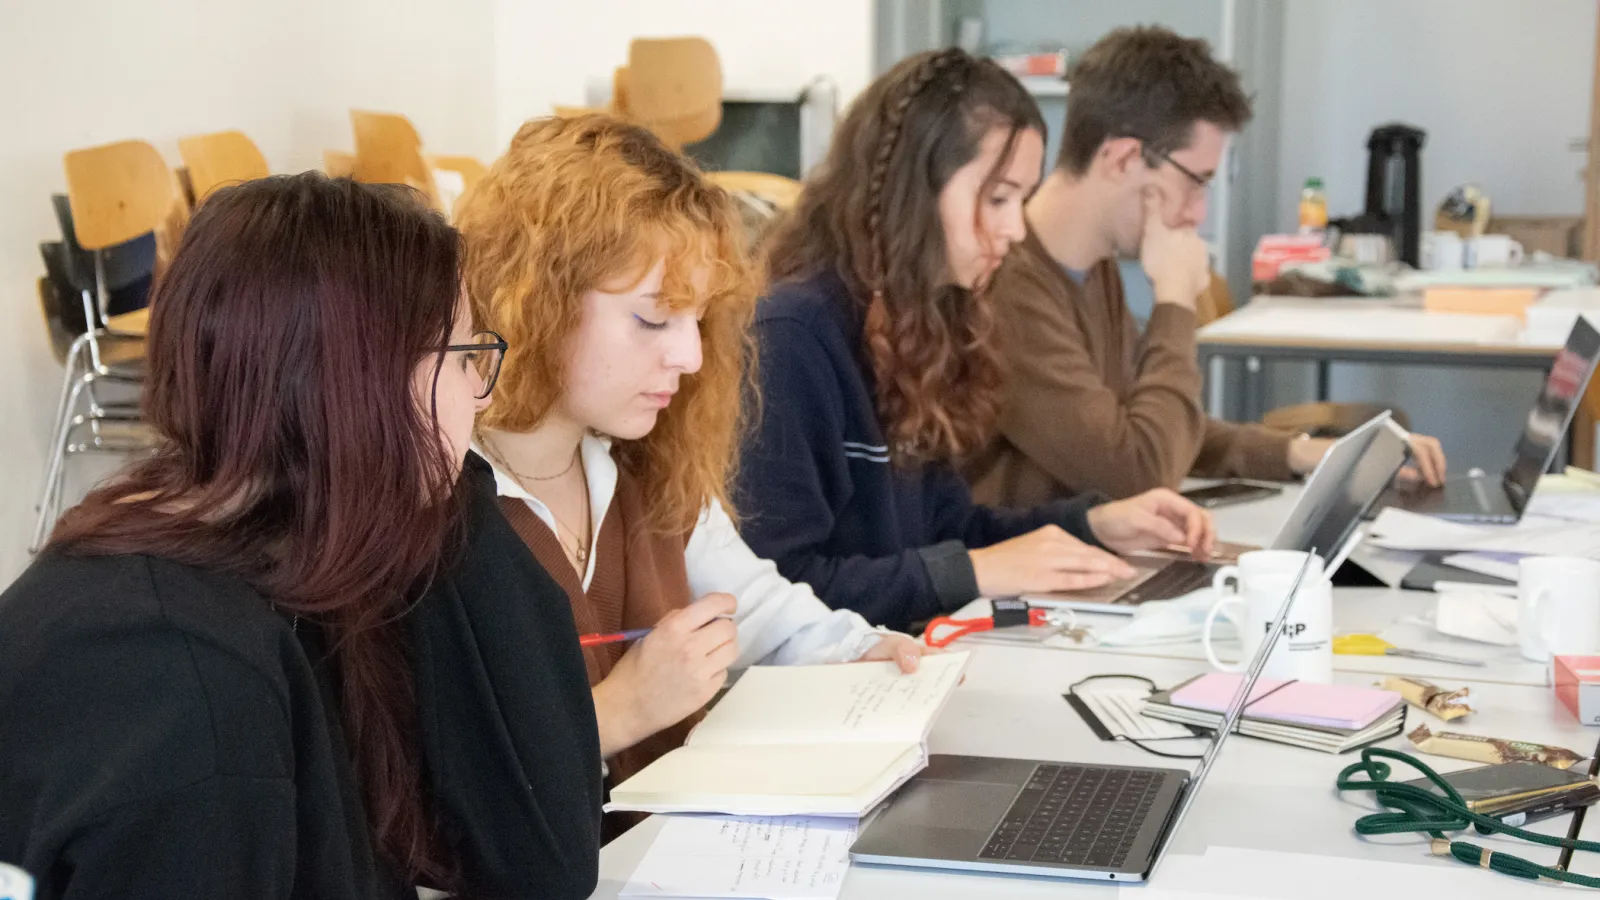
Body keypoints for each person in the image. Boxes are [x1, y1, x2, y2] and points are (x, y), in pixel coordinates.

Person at [0, 174, 601, 898]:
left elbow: (547, 852)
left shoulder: (277, 558)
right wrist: (418, 452)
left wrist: (424, 466)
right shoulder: (185, 686)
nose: (482, 393)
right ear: (361, 387)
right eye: (464, 359)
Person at [454, 114, 928, 800]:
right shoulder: (435, 494)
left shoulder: (641, 461)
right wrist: (623, 711)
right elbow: (434, 781)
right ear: (537, 301)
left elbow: (753, 606)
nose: (691, 356)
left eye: (697, 321)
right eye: (652, 318)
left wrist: (859, 651)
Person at [736, 48, 1216, 634]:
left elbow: (950, 534)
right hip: (829, 695)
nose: (1016, 229)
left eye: (1021, 198)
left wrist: (1091, 526)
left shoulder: (928, 321)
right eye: (997, 198)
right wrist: (972, 571)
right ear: (913, 190)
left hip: (902, 660)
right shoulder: (792, 337)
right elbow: (776, 589)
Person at [967, 25, 1448, 506]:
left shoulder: (1092, 266)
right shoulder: (1007, 287)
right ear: (1123, 159)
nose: (1198, 213)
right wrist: (1174, 298)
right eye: (1196, 181)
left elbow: (1155, 422)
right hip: (1028, 572)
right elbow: (1143, 472)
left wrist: (1307, 453)